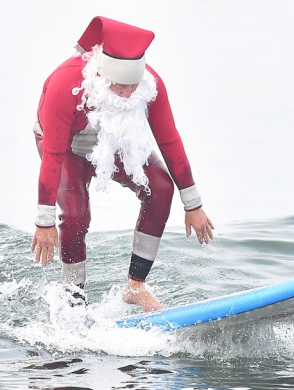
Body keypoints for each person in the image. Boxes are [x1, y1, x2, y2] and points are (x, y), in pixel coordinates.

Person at [29, 16, 214, 311]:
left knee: (161, 188)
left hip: (113, 140)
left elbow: (169, 140)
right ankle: (73, 300)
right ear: (103, 77)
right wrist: (44, 222)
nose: (128, 94)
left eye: (133, 86)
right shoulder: (66, 84)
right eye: (120, 88)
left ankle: (135, 287)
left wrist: (193, 204)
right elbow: (52, 154)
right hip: (65, 148)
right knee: (76, 214)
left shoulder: (150, 85)